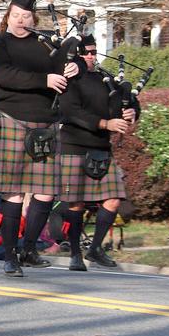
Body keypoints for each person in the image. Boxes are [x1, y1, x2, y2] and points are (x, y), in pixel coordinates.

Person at [0, 0, 80, 276]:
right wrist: (44, 79)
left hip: (45, 123)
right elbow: (4, 77)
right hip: (11, 120)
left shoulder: (45, 45)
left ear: (34, 19)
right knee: (14, 194)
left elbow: (65, 68)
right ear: (8, 16)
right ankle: (10, 256)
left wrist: (73, 65)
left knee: (45, 193)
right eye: (16, 15)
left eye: (27, 16)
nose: (21, 21)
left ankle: (29, 248)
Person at [58, 35, 138, 270]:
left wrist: (132, 111)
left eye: (94, 52)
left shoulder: (107, 79)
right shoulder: (70, 80)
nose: (91, 57)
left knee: (113, 199)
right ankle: (74, 253)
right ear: (76, 56)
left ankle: (94, 249)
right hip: (74, 146)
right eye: (86, 53)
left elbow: (127, 100)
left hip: (102, 148)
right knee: (76, 203)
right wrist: (105, 124)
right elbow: (72, 112)